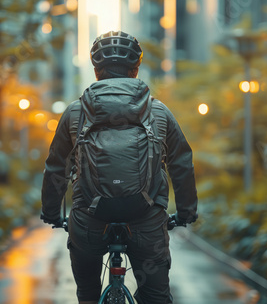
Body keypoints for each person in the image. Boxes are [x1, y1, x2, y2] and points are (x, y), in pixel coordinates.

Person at [40, 31, 198, 304]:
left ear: (96, 70)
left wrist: (52, 214)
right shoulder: (159, 111)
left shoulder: (74, 112)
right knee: (156, 297)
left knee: (87, 293)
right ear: (136, 69)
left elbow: (57, 169)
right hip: (146, 220)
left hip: (89, 219)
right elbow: (181, 164)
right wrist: (185, 213)